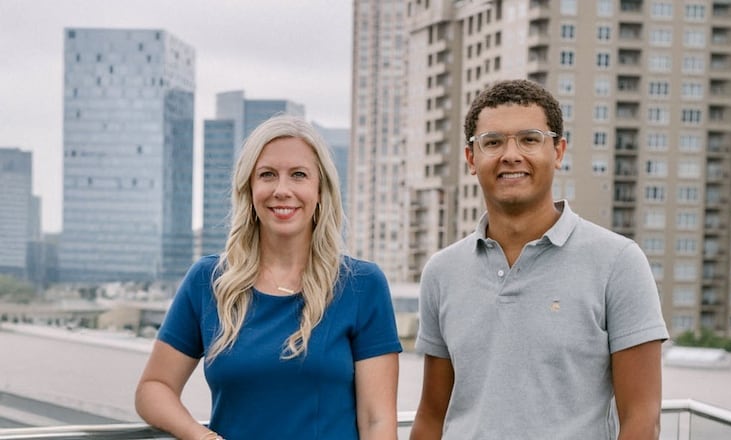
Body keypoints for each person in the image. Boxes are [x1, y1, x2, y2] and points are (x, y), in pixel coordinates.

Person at [409, 79, 669, 440]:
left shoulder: (619, 262)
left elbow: (642, 418)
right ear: (471, 158)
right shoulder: (441, 271)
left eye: (530, 139)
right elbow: (431, 417)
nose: (511, 155)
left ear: (558, 151)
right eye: (493, 142)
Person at [136, 115, 402, 440]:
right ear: (249, 189)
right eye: (267, 175)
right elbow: (154, 388)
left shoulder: (363, 284)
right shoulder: (208, 281)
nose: (282, 190)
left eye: (299, 175)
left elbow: (377, 421)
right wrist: (201, 436)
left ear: (321, 191)